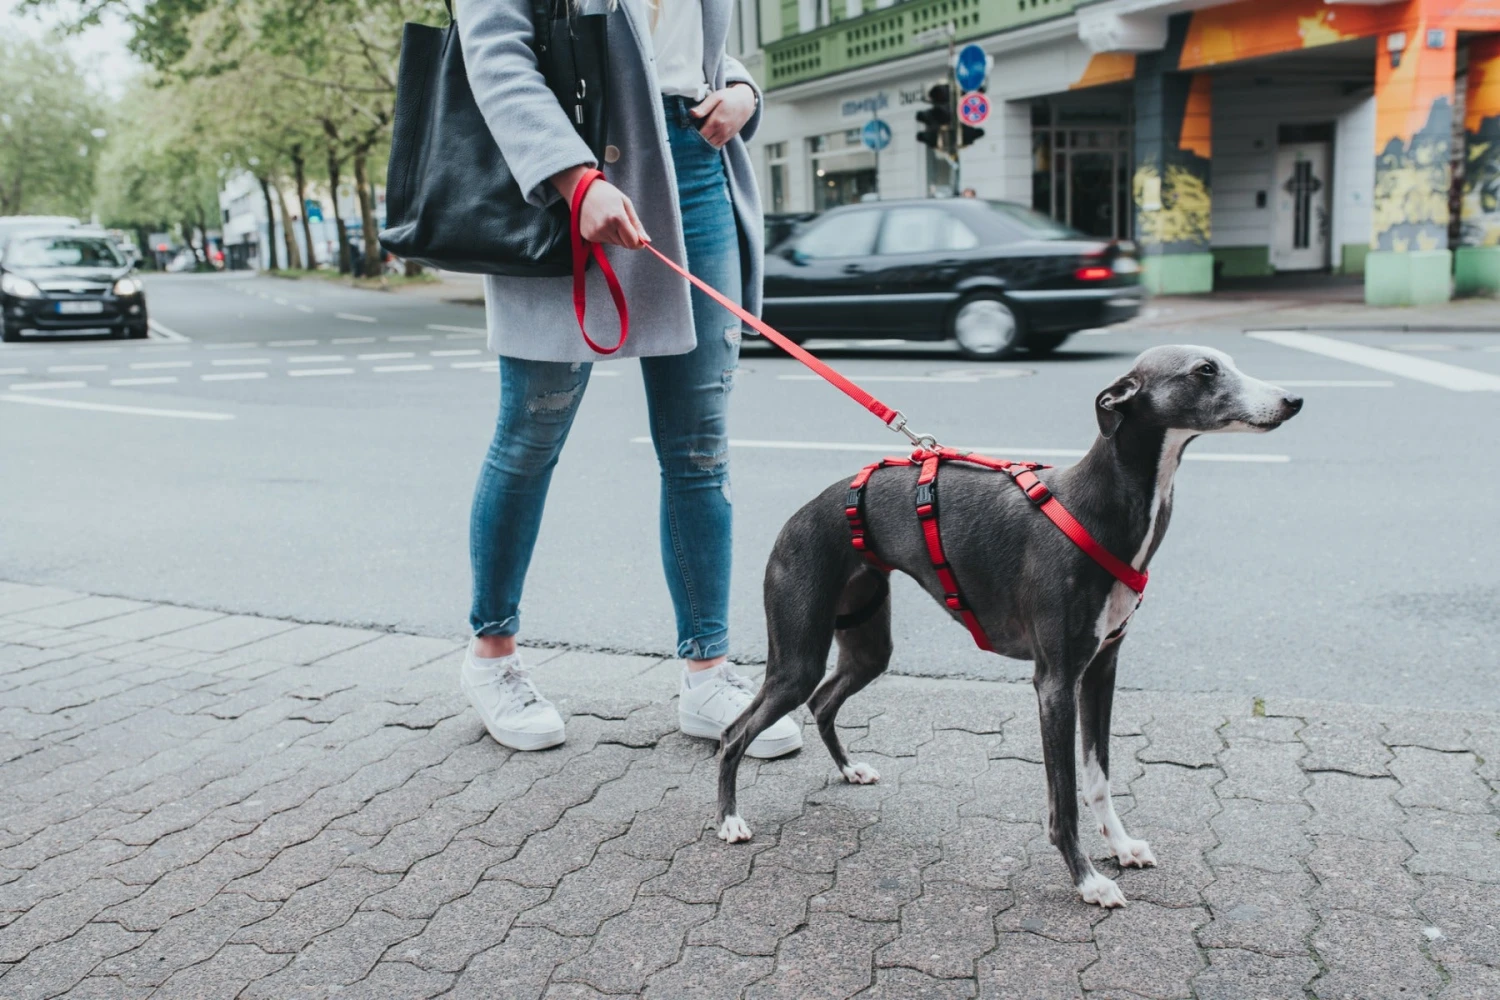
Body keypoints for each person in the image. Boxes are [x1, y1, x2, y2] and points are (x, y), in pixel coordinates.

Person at [455, 0, 802, 759]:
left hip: (696, 162)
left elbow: (678, 47)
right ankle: (492, 657)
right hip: (573, 172)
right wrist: (572, 177)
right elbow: (497, 50)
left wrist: (741, 90)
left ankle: (708, 672)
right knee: (533, 427)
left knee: (700, 445)